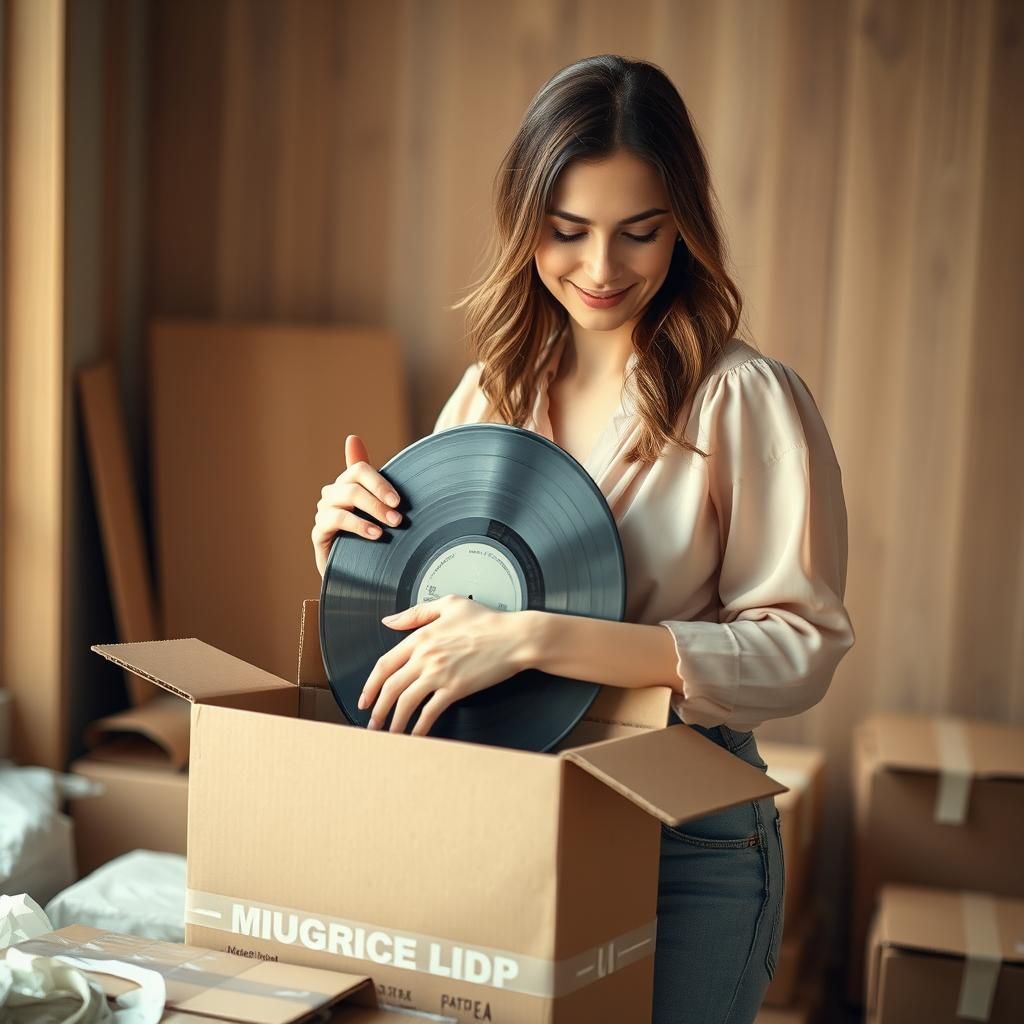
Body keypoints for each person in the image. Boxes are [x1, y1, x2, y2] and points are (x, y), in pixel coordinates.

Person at [312, 54, 855, 1024]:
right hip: (508, 819)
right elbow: (428, 617)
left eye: (638, 232)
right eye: (567, 232)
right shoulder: (491, 391)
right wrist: (353, 545)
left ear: (683, 222)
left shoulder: (744, 398)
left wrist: (533, 636)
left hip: (682, 836)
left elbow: (798, 650)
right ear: (525, 224)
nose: (602, 269)